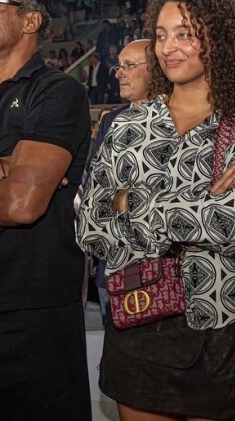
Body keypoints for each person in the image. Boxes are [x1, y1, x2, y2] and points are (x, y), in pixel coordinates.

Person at [77, 0, 235, 421]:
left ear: (218, 40)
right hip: (139, 314)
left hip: (222, 321)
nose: (168, 47)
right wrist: (198, 204)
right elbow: (91, 229)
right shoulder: (126, 126)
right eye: (161, 34)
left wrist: (132, 203)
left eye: (185, 34)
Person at [0, 0, 91, 420]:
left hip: (33, 316)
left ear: (30, 21)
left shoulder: (57, 92)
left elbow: (22, 203)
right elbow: (14, 189)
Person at [91, 39, 152, 322]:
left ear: (156, 72)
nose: (118, 73)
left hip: (162, 270)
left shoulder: (181, 120)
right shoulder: (109, 122)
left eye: (129, 66)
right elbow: (96, 191)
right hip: (113, 265)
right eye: (119, 66)